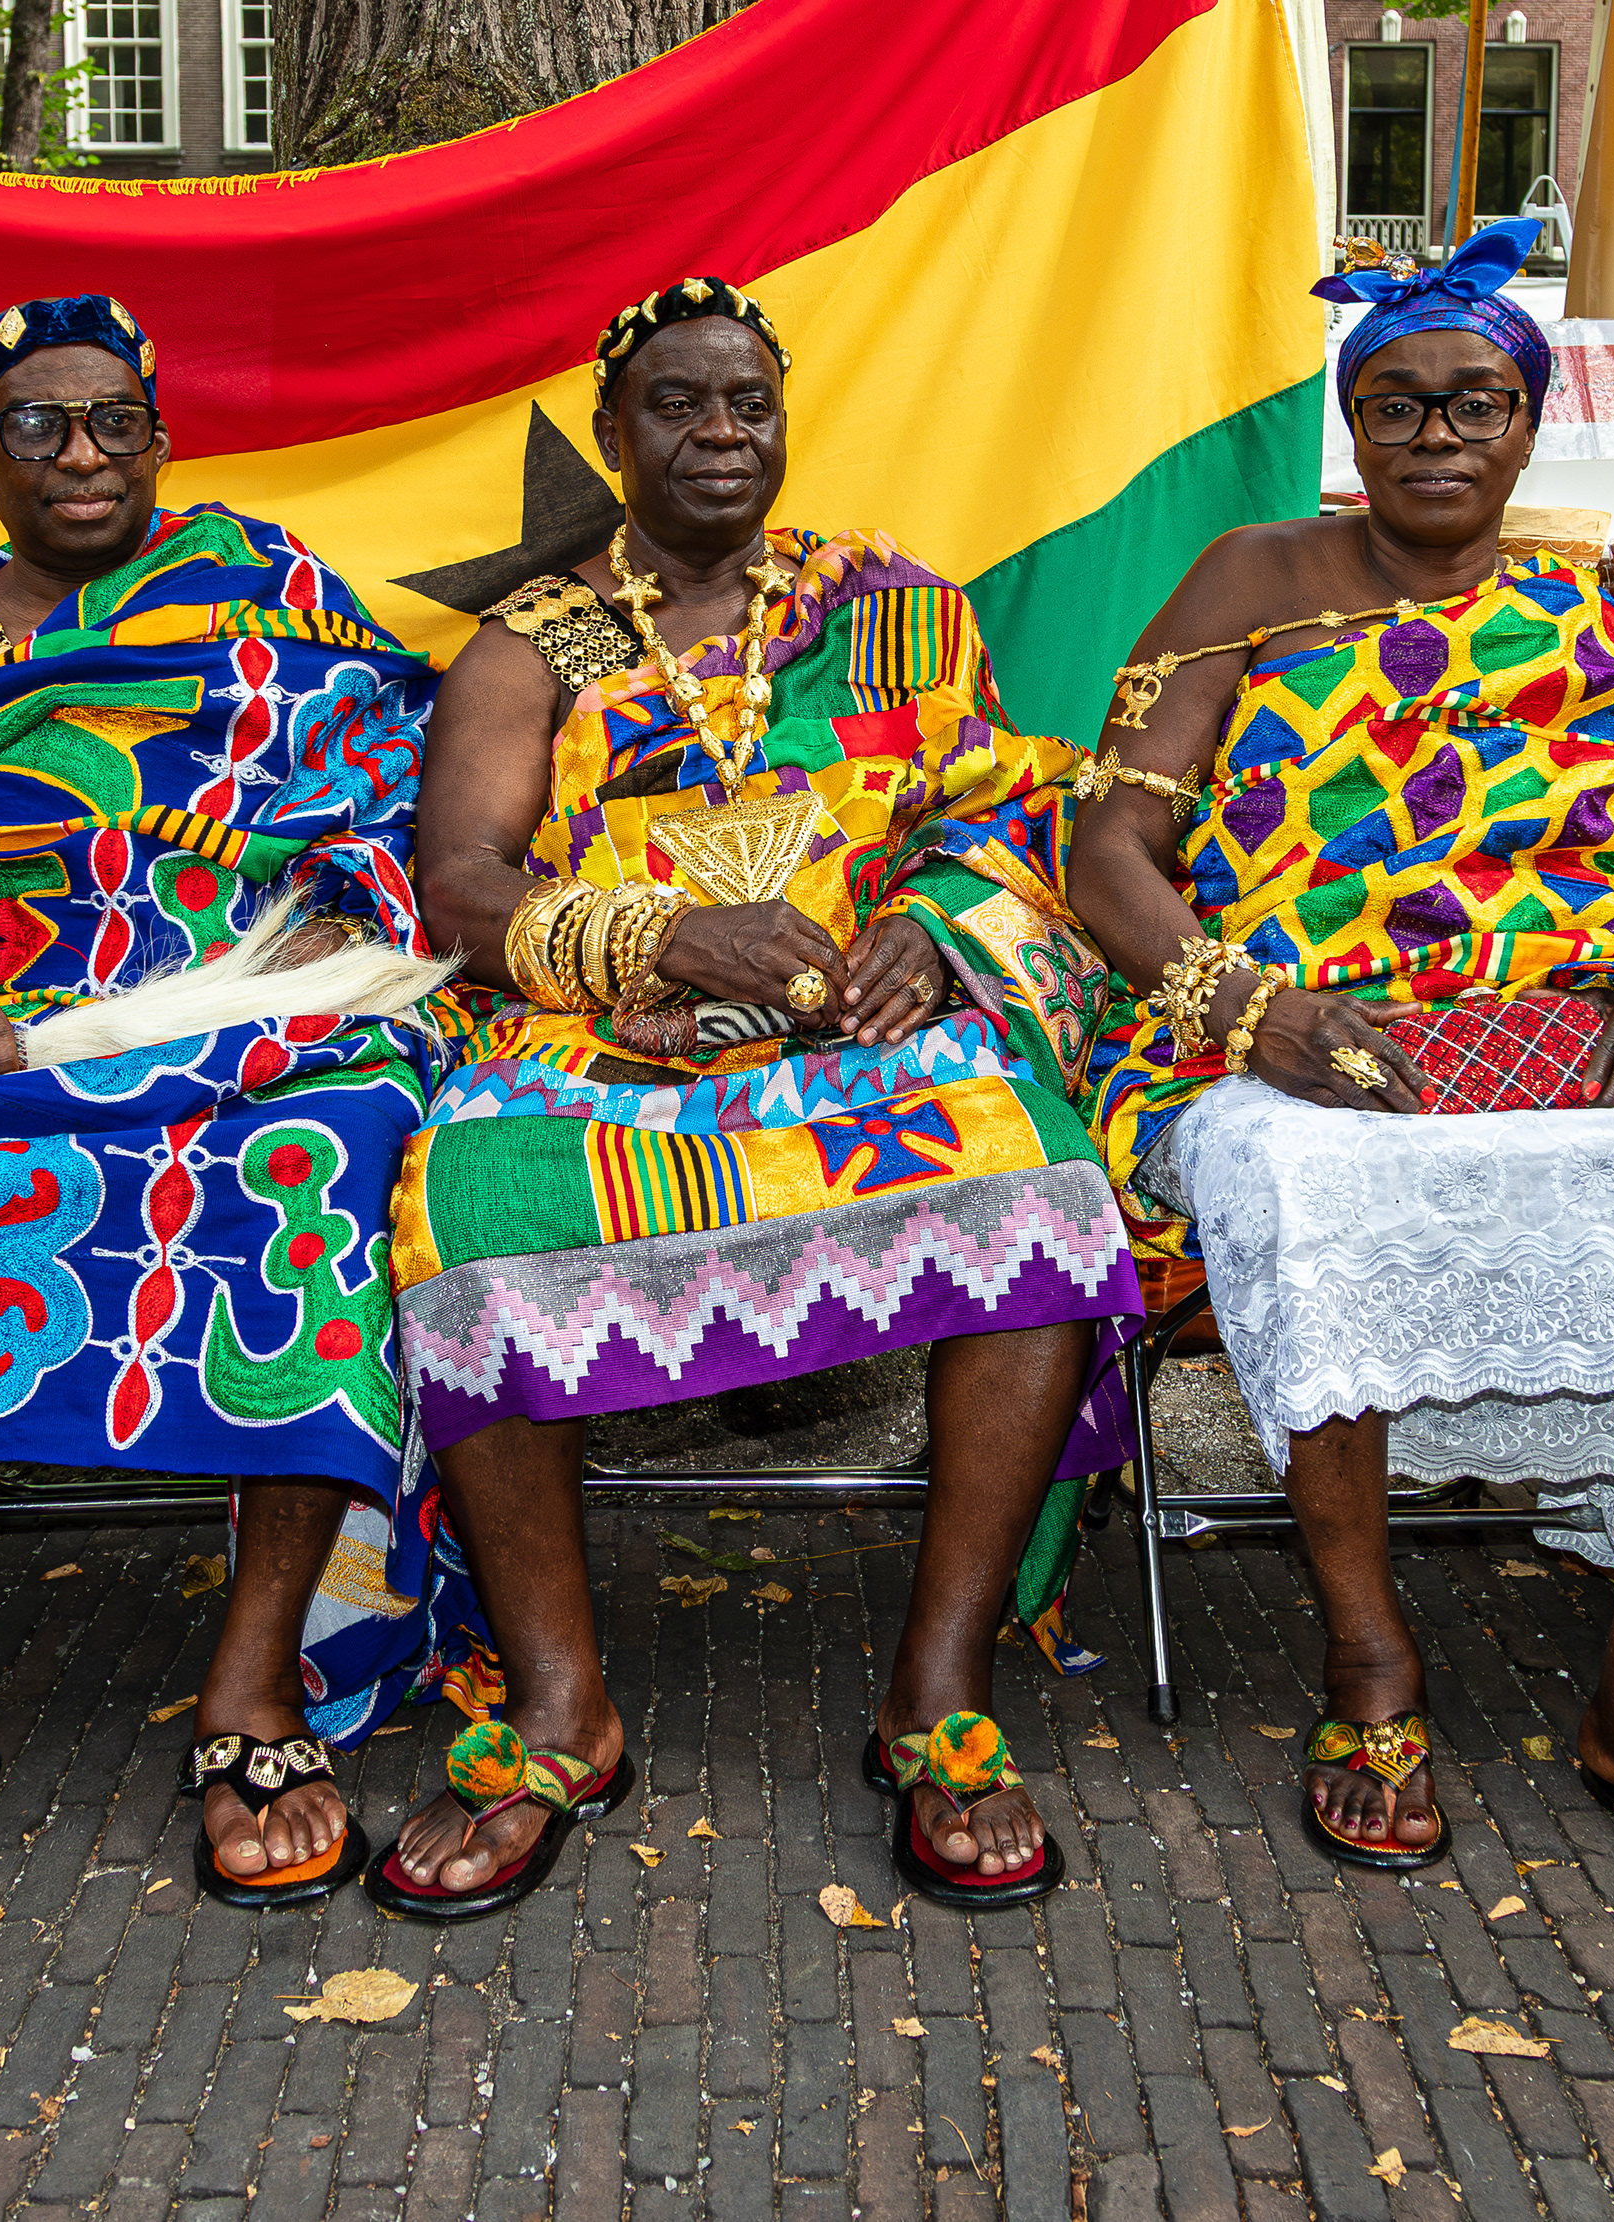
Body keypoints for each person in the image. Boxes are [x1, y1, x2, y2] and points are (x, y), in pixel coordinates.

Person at [1070, 221, 1614, 1909]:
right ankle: (1372, 1668)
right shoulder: (1249, 581)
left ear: (1529, 428)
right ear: (1351, 428)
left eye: (1475, 403)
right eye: (1396, 406)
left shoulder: (1571, 611)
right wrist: (1251, 1013)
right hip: (1288, 1019)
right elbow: (1110, 848)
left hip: (1546, 1019)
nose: (1438, 435)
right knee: (1310, 1180)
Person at [379, 279, 1135, 1919]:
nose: (721, 434)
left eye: (748, 403)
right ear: (613, 433)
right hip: (612, 1036)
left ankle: (939, 1695)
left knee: (1040, 1182)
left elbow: (990, 806)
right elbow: (458, 885)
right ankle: (565, 1708)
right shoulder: (539, 636)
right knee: (474, 1203)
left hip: (863, 1029)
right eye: (679, 404)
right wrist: (661, 935)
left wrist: (936, 932)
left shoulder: (896, 609)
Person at [0, 295, 473, 1919]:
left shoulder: (279, 598)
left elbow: (381, 819)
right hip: (11, 1028)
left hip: (272, 1016)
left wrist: (335, 935)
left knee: (325, 1154)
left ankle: (255, 1685)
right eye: (42, 425)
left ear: (159, 436)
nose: (83, 453)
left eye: (116, 421)